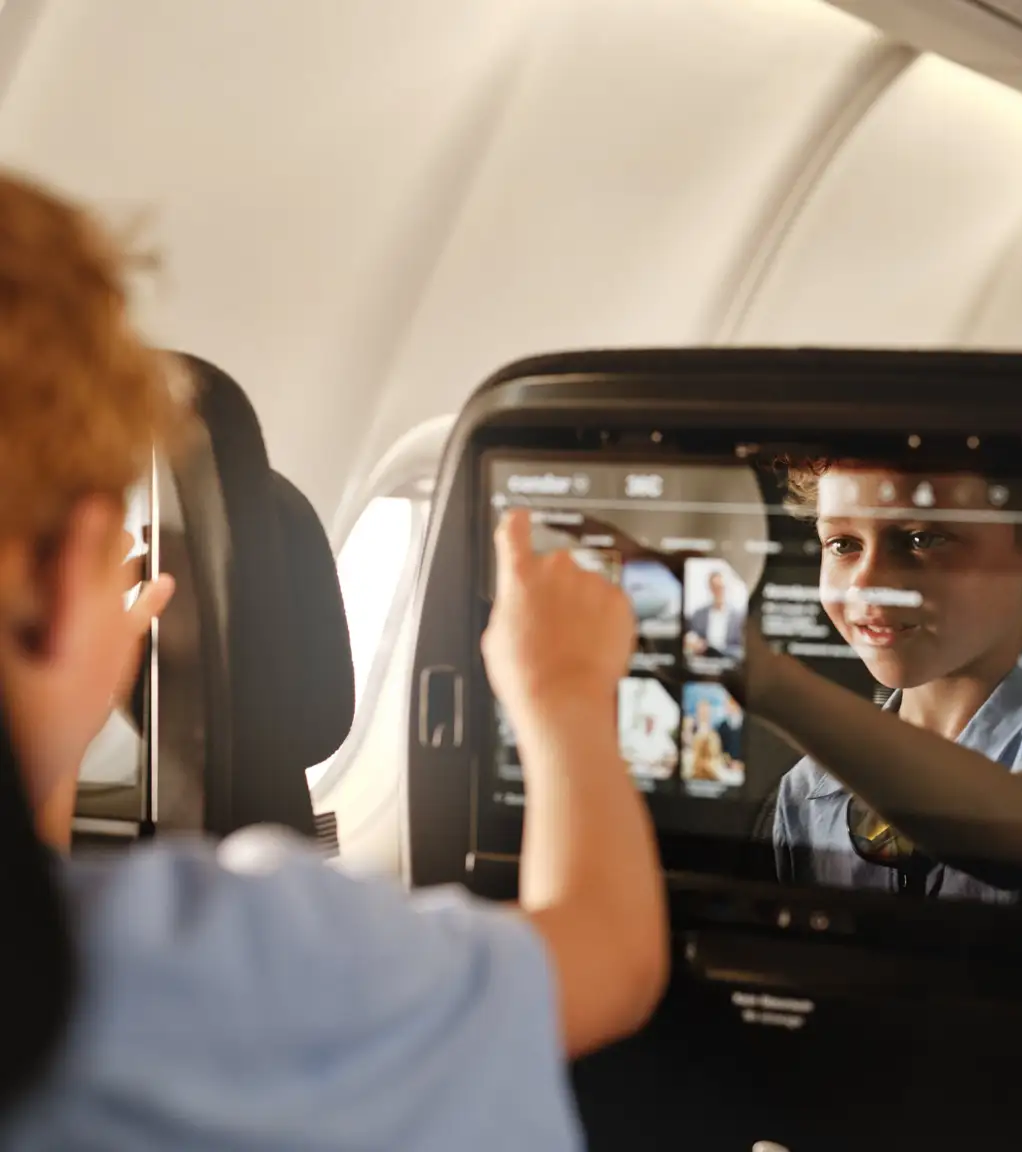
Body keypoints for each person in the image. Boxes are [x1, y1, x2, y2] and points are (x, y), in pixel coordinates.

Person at [0, 170, 666, 1150]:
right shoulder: (227, 970)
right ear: (61, 581)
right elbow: (609, 957)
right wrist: (565, 692)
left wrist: (44, 744)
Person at [766, 460, 1022, 897]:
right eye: (843, 544)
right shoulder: (807, 791)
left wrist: (767, 682)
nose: (867, 584)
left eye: (922, 539)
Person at [683, 568, 743, 659]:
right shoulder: (699, 615)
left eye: (720, 587)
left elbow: (741, 648)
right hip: (704, 660)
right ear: (710, 589)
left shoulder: (738, 617)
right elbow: (691, 638)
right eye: (714, 587)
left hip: (728, 661)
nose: (718, 591)